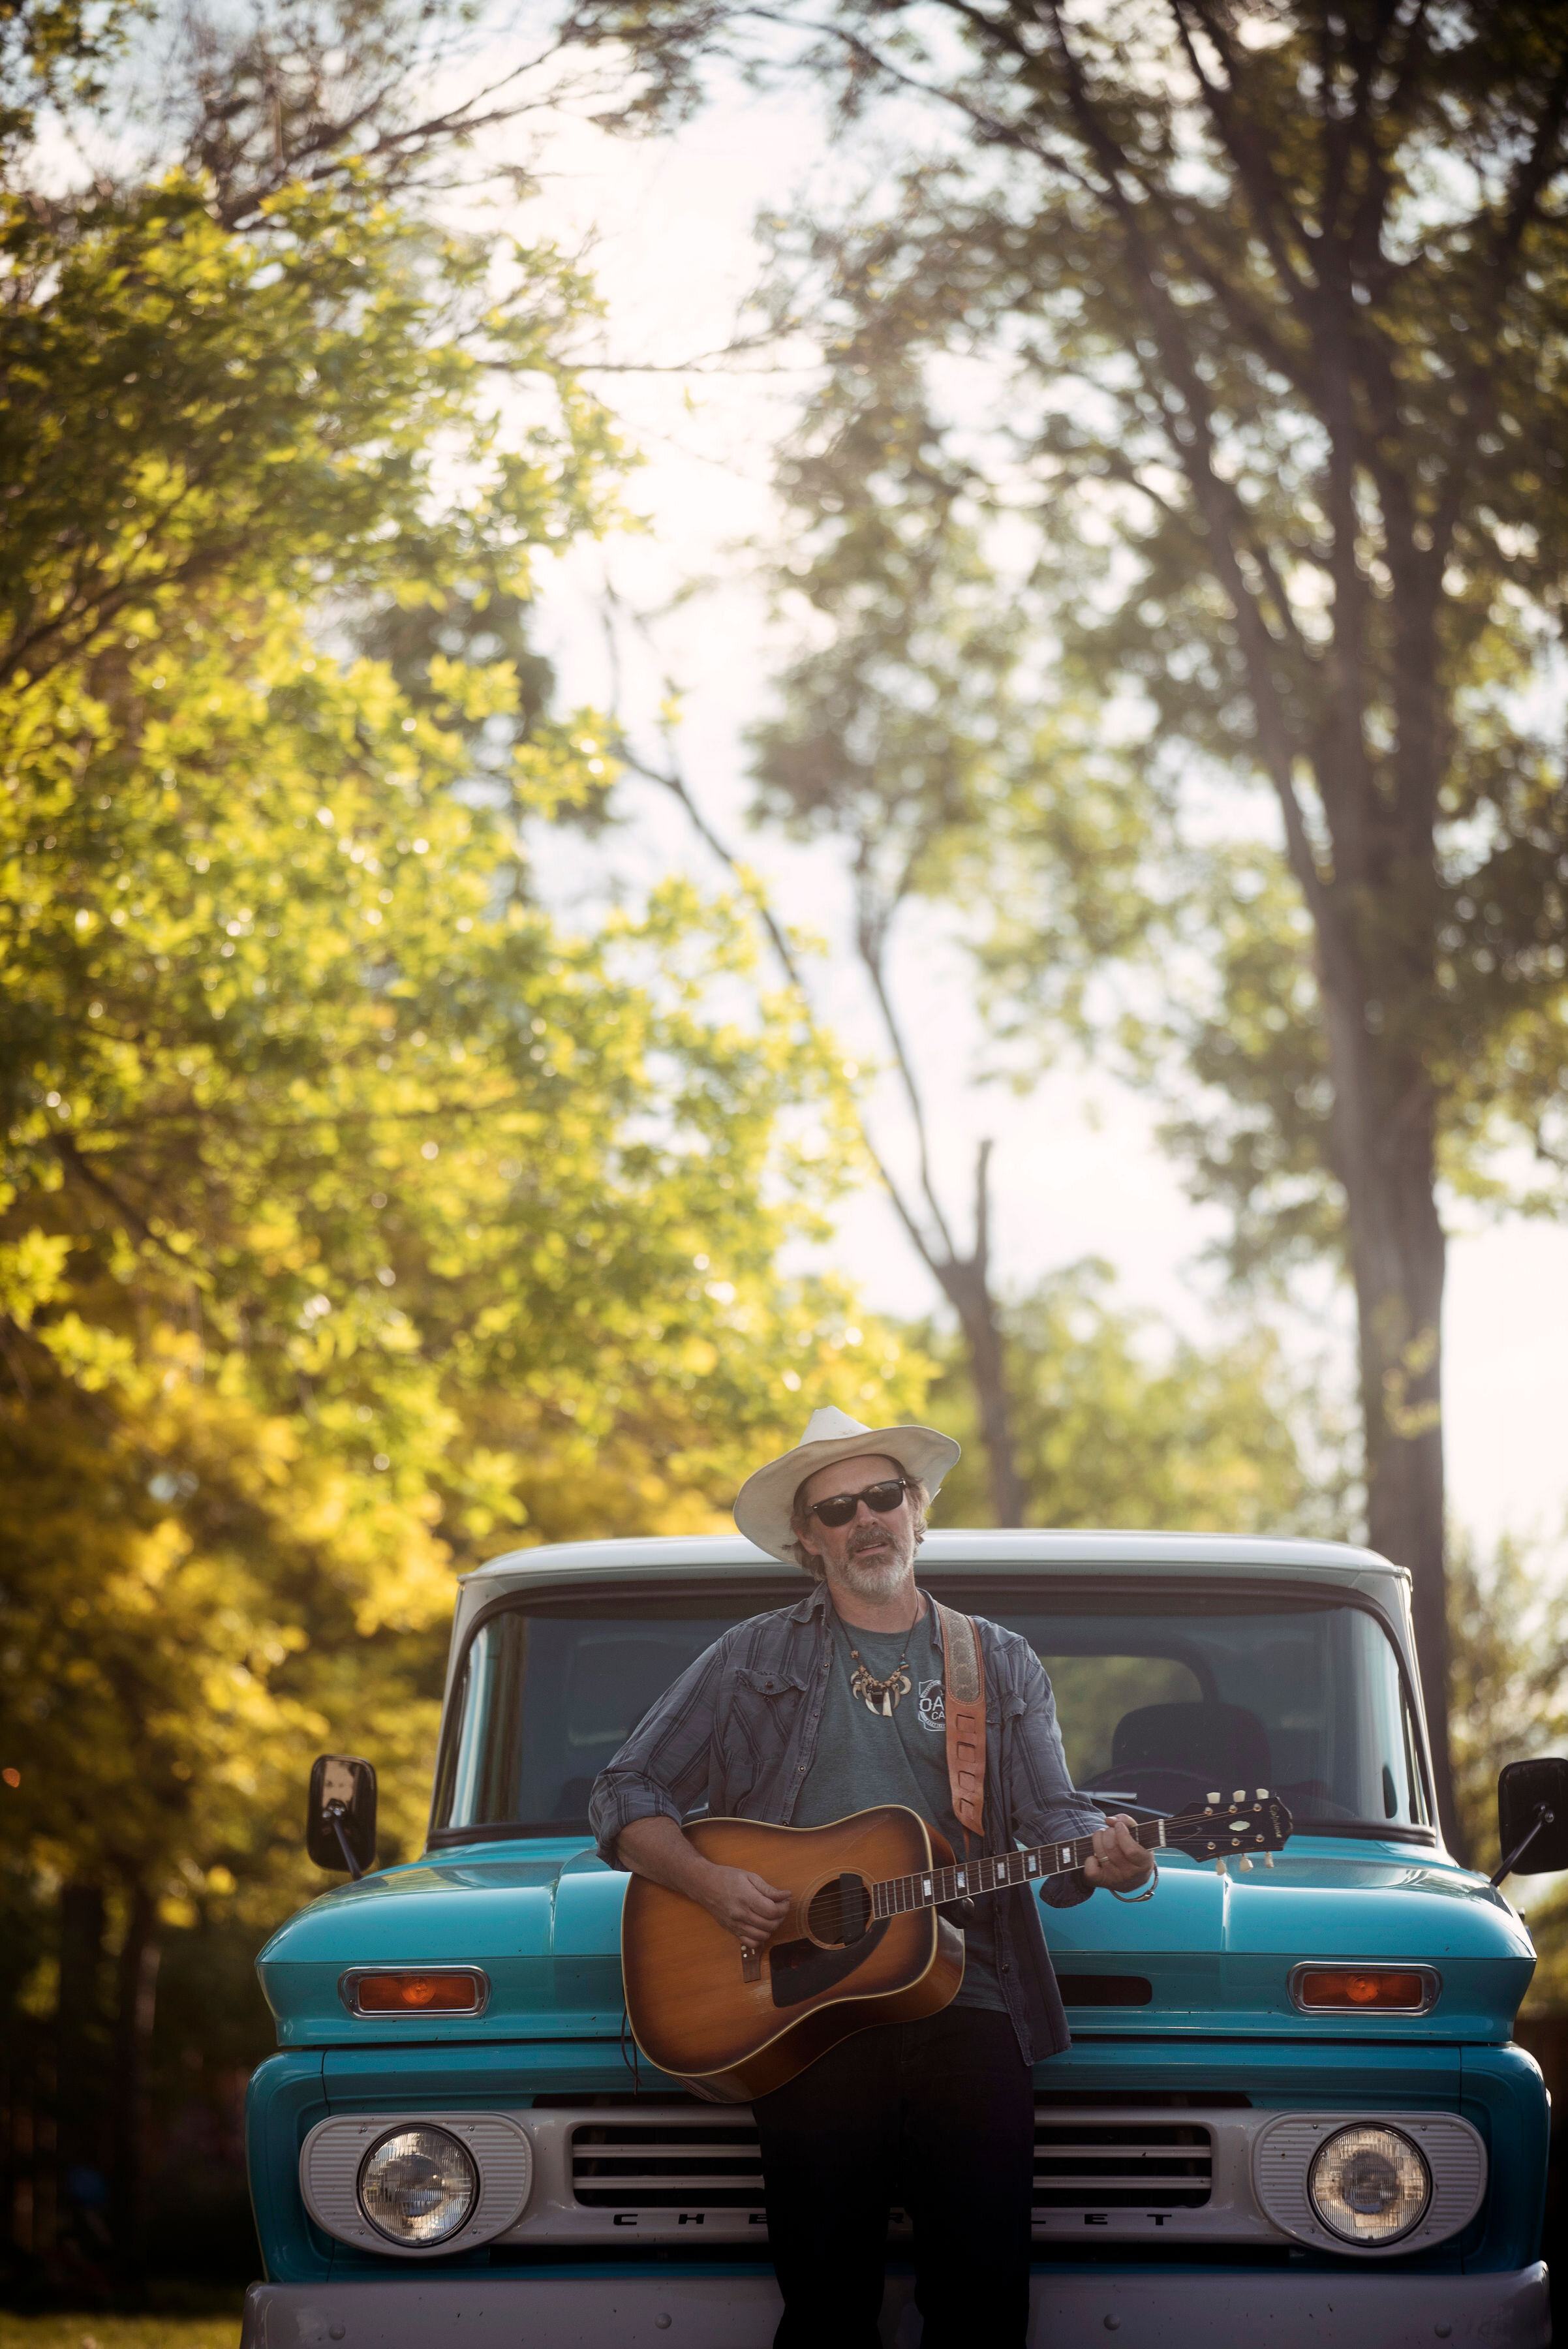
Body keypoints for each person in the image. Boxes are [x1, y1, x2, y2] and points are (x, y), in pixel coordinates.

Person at [589, 1405, 1156, 2349]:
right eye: (837, 1508)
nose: (866, 1520)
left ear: (919, 1508)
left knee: (983, 2308)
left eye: (883, 1496)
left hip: (972, 2003)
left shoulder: (998, 1662)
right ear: (810, 1540)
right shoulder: (751, 1657)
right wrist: (710, 1884)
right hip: (802, 2014)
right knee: (825, 2309)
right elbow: (623, 1792)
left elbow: (1053, 1821)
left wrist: (1114, 1858)